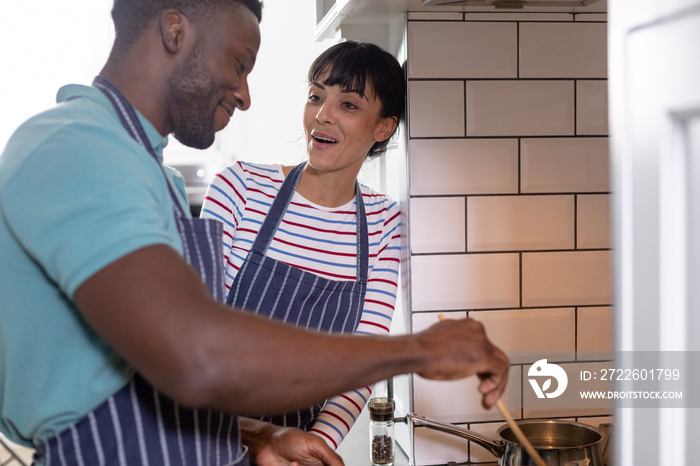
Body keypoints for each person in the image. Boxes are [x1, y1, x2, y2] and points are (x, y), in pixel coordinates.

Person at [0, 1, 509, 465]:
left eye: (348, 104)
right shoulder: (80, 149)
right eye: (239, 64)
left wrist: (260, 436)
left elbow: (145, 375)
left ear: (384, 127)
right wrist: (419, 350)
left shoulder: (150, 175)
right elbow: (195, 356)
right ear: (175, 31)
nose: (245, 95)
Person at [200, 41, 403, 449]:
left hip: (293, 448)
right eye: (316, 96)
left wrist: (313, 448)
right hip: (202, 437)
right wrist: (260, 438)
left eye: (348, 105)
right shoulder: (239, 187)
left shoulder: (384, 224)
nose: (322, 116)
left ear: (383, 128)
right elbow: (191, 337)